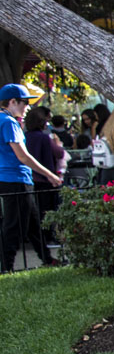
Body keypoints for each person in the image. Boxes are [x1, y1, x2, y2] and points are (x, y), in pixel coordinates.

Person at [0, 84, 62, 272]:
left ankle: (47, 258)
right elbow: (23, 156)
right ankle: (6, 268)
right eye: (25, 103)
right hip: (16, 179)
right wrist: (50, 175)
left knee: (33, 223)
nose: (27, 108)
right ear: (12, 102)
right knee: (13, 226)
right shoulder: (9, 122)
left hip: (9, 178)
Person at [23, 106, 64, 242]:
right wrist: (57, 143)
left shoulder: (24, 137)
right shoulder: (45, 138)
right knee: (47, 210)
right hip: (45, 178)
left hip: (31, 178)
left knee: (37, 210)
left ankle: (41, 236)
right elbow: (59, 153)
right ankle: (48, 235)